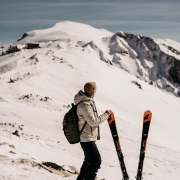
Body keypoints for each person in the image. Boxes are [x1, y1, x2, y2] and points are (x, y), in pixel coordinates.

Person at [74, 82, 112, 180]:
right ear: (93, 91)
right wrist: (106, 114)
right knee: (96, 161)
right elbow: (93, 122)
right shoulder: (85, 105)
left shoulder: (86, 101)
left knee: (88, 162)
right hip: (86, 138)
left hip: (87, 137)